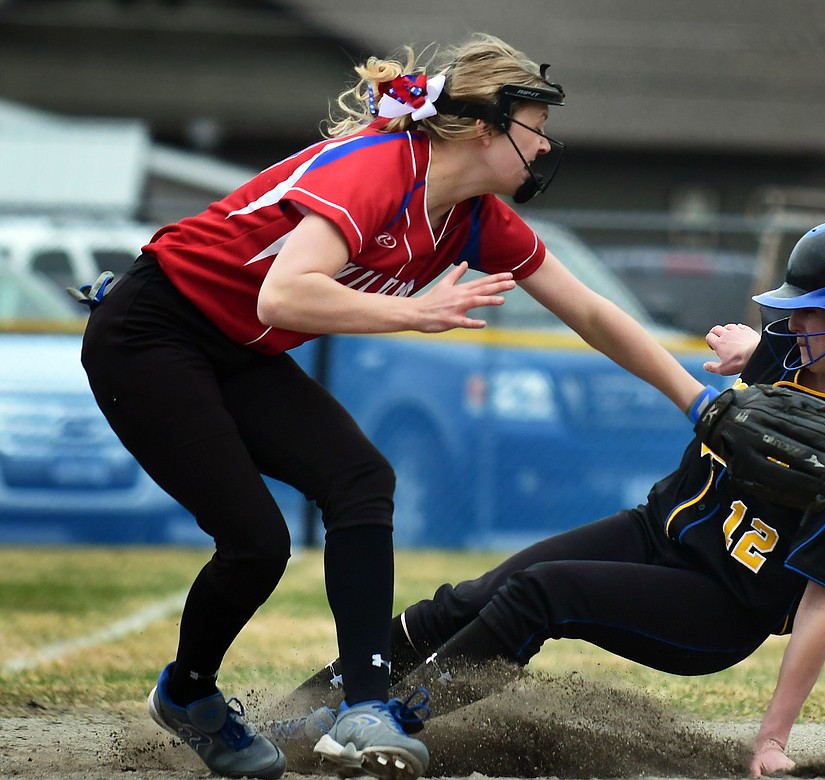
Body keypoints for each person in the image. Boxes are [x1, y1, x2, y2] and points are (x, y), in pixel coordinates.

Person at [78, 33, 708, 780]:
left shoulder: (474, 216)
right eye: (534, 127)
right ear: (484, 126)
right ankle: (189, 695)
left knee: (360, 479)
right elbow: (284, 292)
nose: (544, 148)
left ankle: (362, 711)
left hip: (235, 348)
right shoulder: (382, 169)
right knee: (256, 543)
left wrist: (700, 400)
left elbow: (594, 314)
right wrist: (418, 314)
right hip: (153, 331)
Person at [273, 218, 825, 777]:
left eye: (811, 314)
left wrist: (771, 741)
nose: (793, 325)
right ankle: (302, 714)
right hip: (652, 533)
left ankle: (394, 726)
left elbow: (822, 603)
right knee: (469, 598)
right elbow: (776, 360)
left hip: (718, 605)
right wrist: (747, 349)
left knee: (540, 595)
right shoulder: (795, 359)